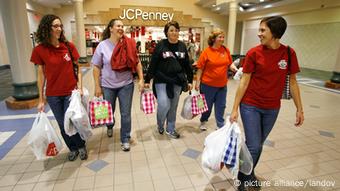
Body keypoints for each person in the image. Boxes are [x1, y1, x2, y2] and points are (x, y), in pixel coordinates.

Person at [229, 16, 304, 191]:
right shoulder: (254, 53)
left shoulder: (288, 54)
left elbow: (293, 82)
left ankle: (250, 172)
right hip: (250, 105)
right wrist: (234, 109)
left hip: (272, 108)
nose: (259, 33)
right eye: (259, 29)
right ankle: (242, 178)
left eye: (263, 30)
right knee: (254, 145)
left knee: (257, 144)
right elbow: (244, 82)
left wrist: (299, 109)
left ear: (275, 33)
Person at [30, 14, 88, 161]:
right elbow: (40, 76)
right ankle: (72, 148)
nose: (59, 29)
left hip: (71, 92)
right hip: (53, 95)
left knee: (72, 121)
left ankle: (81, 146)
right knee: (62, 125)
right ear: (46, 28)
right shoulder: (40, 50)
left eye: (60, 26)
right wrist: (41, 99)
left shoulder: (68, 46)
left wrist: (80, 87)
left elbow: (78, 69)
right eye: (55, 26)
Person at [91, 19, 144, 152]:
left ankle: (125, 138)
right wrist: (97, 86)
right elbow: (96, 67)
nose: (121, 28)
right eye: (118, 26)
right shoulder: (102, 46)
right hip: (108, 85)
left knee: (125, 113)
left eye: (122, 26)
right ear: (111, 28)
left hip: (126, 84)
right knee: (110, 112)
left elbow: (137, 62)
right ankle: (110, 125)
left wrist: (142, 79)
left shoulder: (128, 44)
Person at [144, 21, 193, 139]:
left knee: (173, 106)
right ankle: (160, 123)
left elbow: (187, 64)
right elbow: (153, 63)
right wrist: (147, 79)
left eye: (176, 30)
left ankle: (170, 128)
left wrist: (190, 80)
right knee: (164, 104)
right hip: (161, 79)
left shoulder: (182, 46)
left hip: (177, 81)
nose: (174, 32)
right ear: (166, 32)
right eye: (171, 30)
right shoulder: (161, 45)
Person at [194, 29, 237, 131]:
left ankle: (220, 125)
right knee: (206, 107)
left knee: (221, 106)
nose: (222, 39)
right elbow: (200, 68)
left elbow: (229, 63)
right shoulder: (206, 52)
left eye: (223, 37)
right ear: (213, 39)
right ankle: (203, 121)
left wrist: (234, 68)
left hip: (222, 85)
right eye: (220, 37)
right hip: (207, 85)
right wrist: (197, 82)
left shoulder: (225, 50)